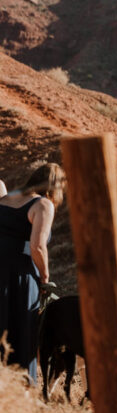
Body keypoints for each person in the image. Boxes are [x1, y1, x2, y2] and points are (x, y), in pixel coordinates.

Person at [0, 162, 66, 384]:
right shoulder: (43, 205)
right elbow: (38, 246)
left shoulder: (7, 197)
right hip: (19, 276)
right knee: (23, 329)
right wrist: (45, 277)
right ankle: (22, 388)